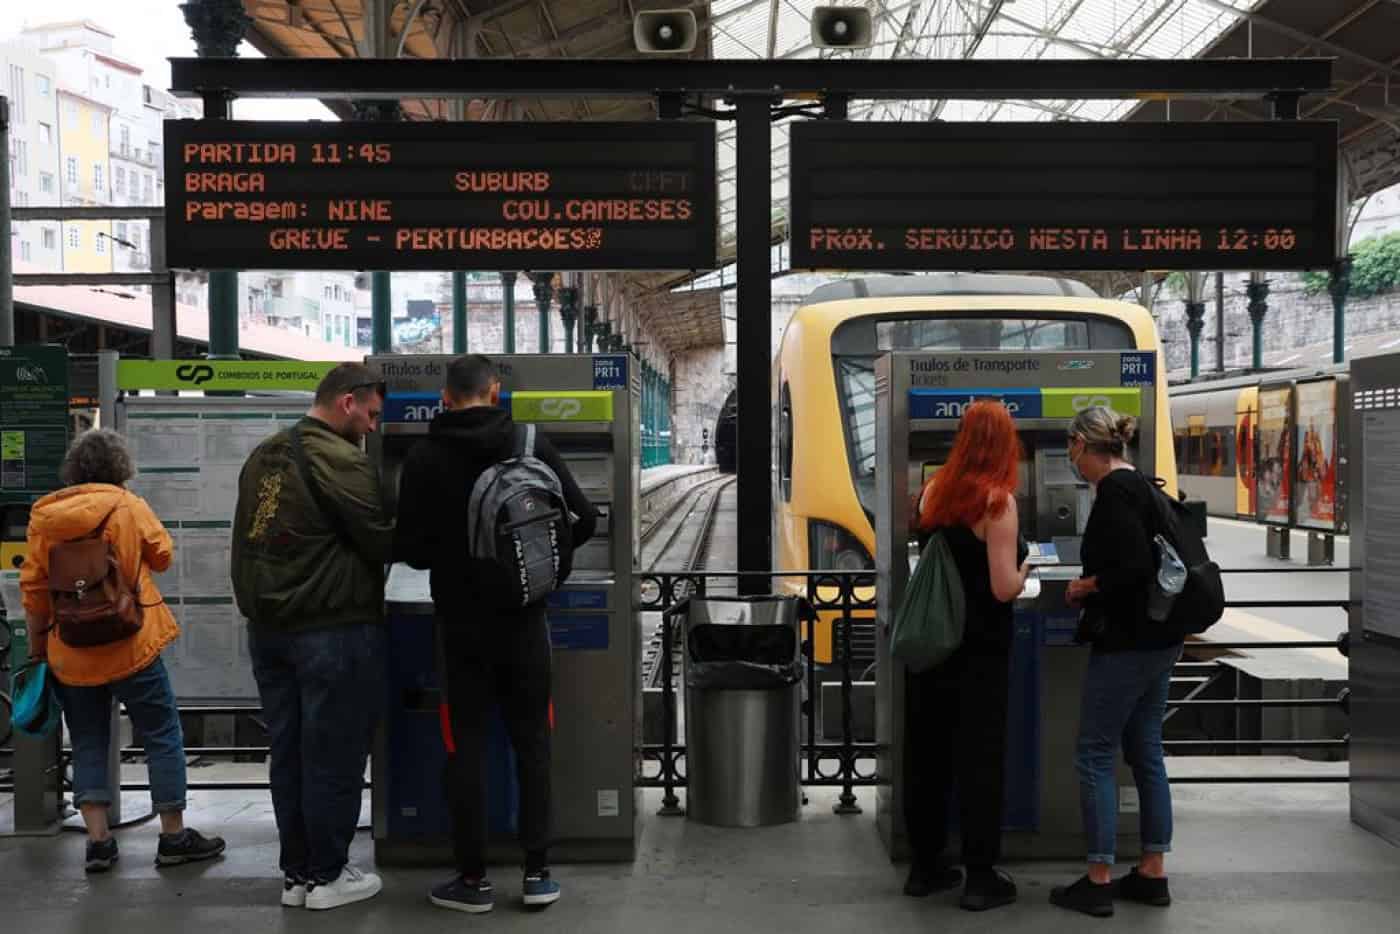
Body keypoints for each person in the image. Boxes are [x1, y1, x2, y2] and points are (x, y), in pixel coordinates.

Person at [395, 354, 598, 914]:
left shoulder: (424, 456)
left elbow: (409, 550)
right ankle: (537, 874)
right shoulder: (530, 443)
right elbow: (585, 519)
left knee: (465, 747)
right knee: (532, 743)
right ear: (494, 391)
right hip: (525, 622)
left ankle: (472, 880)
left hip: (460, 627)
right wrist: (536, 564)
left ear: (445, 398)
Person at [20, 429, 225, 872]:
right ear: (120, 467)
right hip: (132, 644)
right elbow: (163, 555)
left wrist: (39, 650)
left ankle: (98, 843)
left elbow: (33, 591)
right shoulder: (128, 506)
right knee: (161, 733)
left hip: (72, 651)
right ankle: (173, 837)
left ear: (74, 469)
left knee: (88, 739)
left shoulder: (45, 518)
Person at [231, 363, 394, 911]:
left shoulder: (264, 454)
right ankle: (328, 876)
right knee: (334, 753)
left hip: (269, 631)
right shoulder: (341, 459)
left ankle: (297, 875)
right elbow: (380, 539)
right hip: (330, 628)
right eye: (371, 414)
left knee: (289, 754)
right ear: (348, 402)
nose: (373, 426)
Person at [1051, 406, 1184, 918]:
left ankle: (1099, 879)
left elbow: (1131, 570)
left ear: (1082, 445)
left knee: (1095, 753)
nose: (1072, 460)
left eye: (1072, 449)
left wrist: (1087, 586)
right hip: (1162, 639)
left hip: (1129, 643)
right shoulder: (1146, 485)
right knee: (1146, 750)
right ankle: (1152, 872)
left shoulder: (1114, 493)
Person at [903, 400, 1030, 912]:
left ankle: (925, 868)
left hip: (934, 644)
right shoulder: (998, 501)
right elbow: (1002, 587)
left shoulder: (933, 490)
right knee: (980, 759)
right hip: (979, 649)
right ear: (1004, 444)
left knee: (928, 757)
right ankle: (980, 878)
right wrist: (1027, 568)